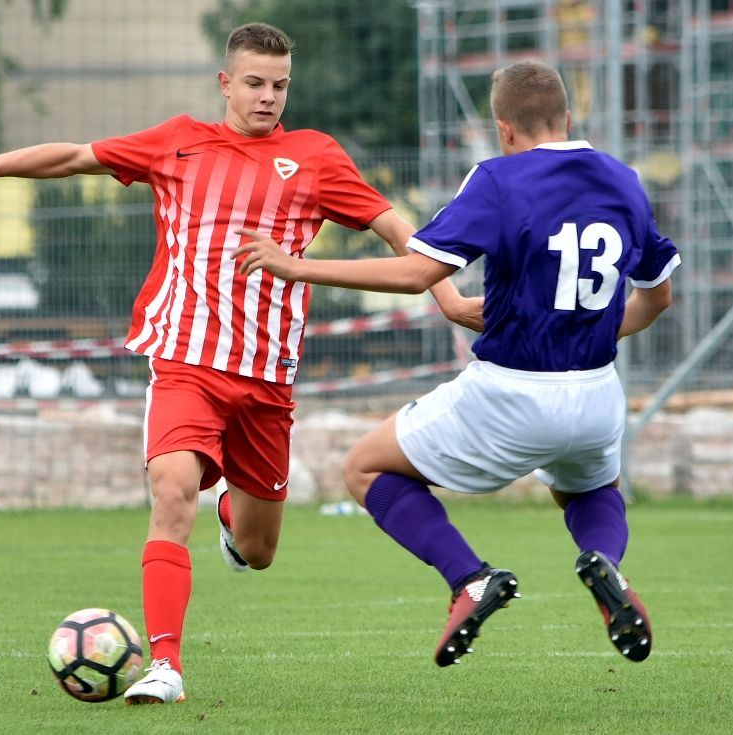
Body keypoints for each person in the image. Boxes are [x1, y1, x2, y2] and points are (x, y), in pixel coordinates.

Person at [0, 22, 482, 702]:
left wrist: (444, 293)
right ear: (226, 83)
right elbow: (72, 157)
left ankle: (235, 521)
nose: (269, 98)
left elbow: (395, 229)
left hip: (266, 379)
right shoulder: (177, 140)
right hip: (185, 363)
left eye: (280, 86)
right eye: (256, 84)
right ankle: (166, 665)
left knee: (261, 550)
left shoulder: (316, 156)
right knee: (172, 490)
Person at [234, 59, 680, 667]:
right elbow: (657, 297)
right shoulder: (624, 179)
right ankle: (606, 564)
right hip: (598, 393)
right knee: (591, 488)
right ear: (568, 118)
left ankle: (468, 577)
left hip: (512, 392)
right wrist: (590, 325)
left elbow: (419, 272)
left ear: (504, 129)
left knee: (365, 469)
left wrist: (296, 265)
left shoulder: (499, 179)